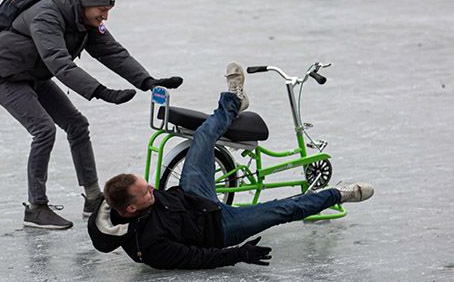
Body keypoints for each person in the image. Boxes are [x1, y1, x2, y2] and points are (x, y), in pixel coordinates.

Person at [89, 63, 374, 269]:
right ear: (131, 209)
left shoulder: (113, 201)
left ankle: (233, 100)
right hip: (220, 227)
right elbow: (197, 259)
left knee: (203, 136)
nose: (152, 187)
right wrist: (238, 254)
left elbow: (103, 214)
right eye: (147, 193)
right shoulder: (151, 248)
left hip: (192, 194)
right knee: (283, 209)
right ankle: (339, 194)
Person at [0, 0, 183, 230]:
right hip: (2, 75)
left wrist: (146, 81)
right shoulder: (47, 16)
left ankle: (92, 197)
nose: (105, 17)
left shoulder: (84, 19)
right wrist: (100, 91)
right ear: (86, 3)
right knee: (43, 130)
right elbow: (59, 62)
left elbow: (112, 51)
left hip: (33, 73)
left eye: (108, 10)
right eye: (102, 10)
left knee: (77, 124)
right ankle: (36, 207)